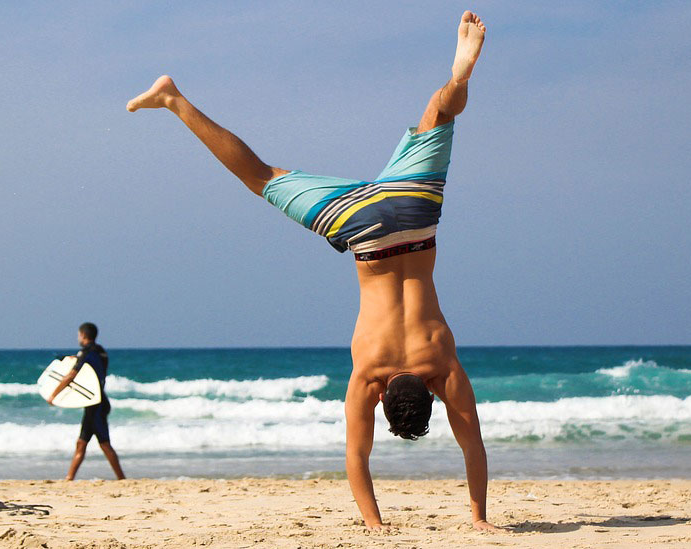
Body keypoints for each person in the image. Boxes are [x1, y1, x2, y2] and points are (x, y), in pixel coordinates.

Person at [127, 11, 500, 531]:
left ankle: (457, 78)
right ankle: (172, 99)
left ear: (428, 393)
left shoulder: (441, 365)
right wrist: (375, 524)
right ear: (383, 399)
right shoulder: (370, 374)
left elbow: (474, 447)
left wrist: (480, 516)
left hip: (413, 213)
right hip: (363, 231)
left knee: (440, 114)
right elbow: (358, 458)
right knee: (260, 176)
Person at [47, 322, 126, 481]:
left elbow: (71, 376)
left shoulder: (86, 353)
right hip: (98, 402)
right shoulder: (101, 352)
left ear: (83, 335)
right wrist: (75, 358)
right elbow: (93, 368)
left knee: (104, 443)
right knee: (81, 443)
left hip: (95, 405)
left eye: (78, 335)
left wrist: (53, 395)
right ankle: (69, 478)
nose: (78, 337)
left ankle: (122, 479)